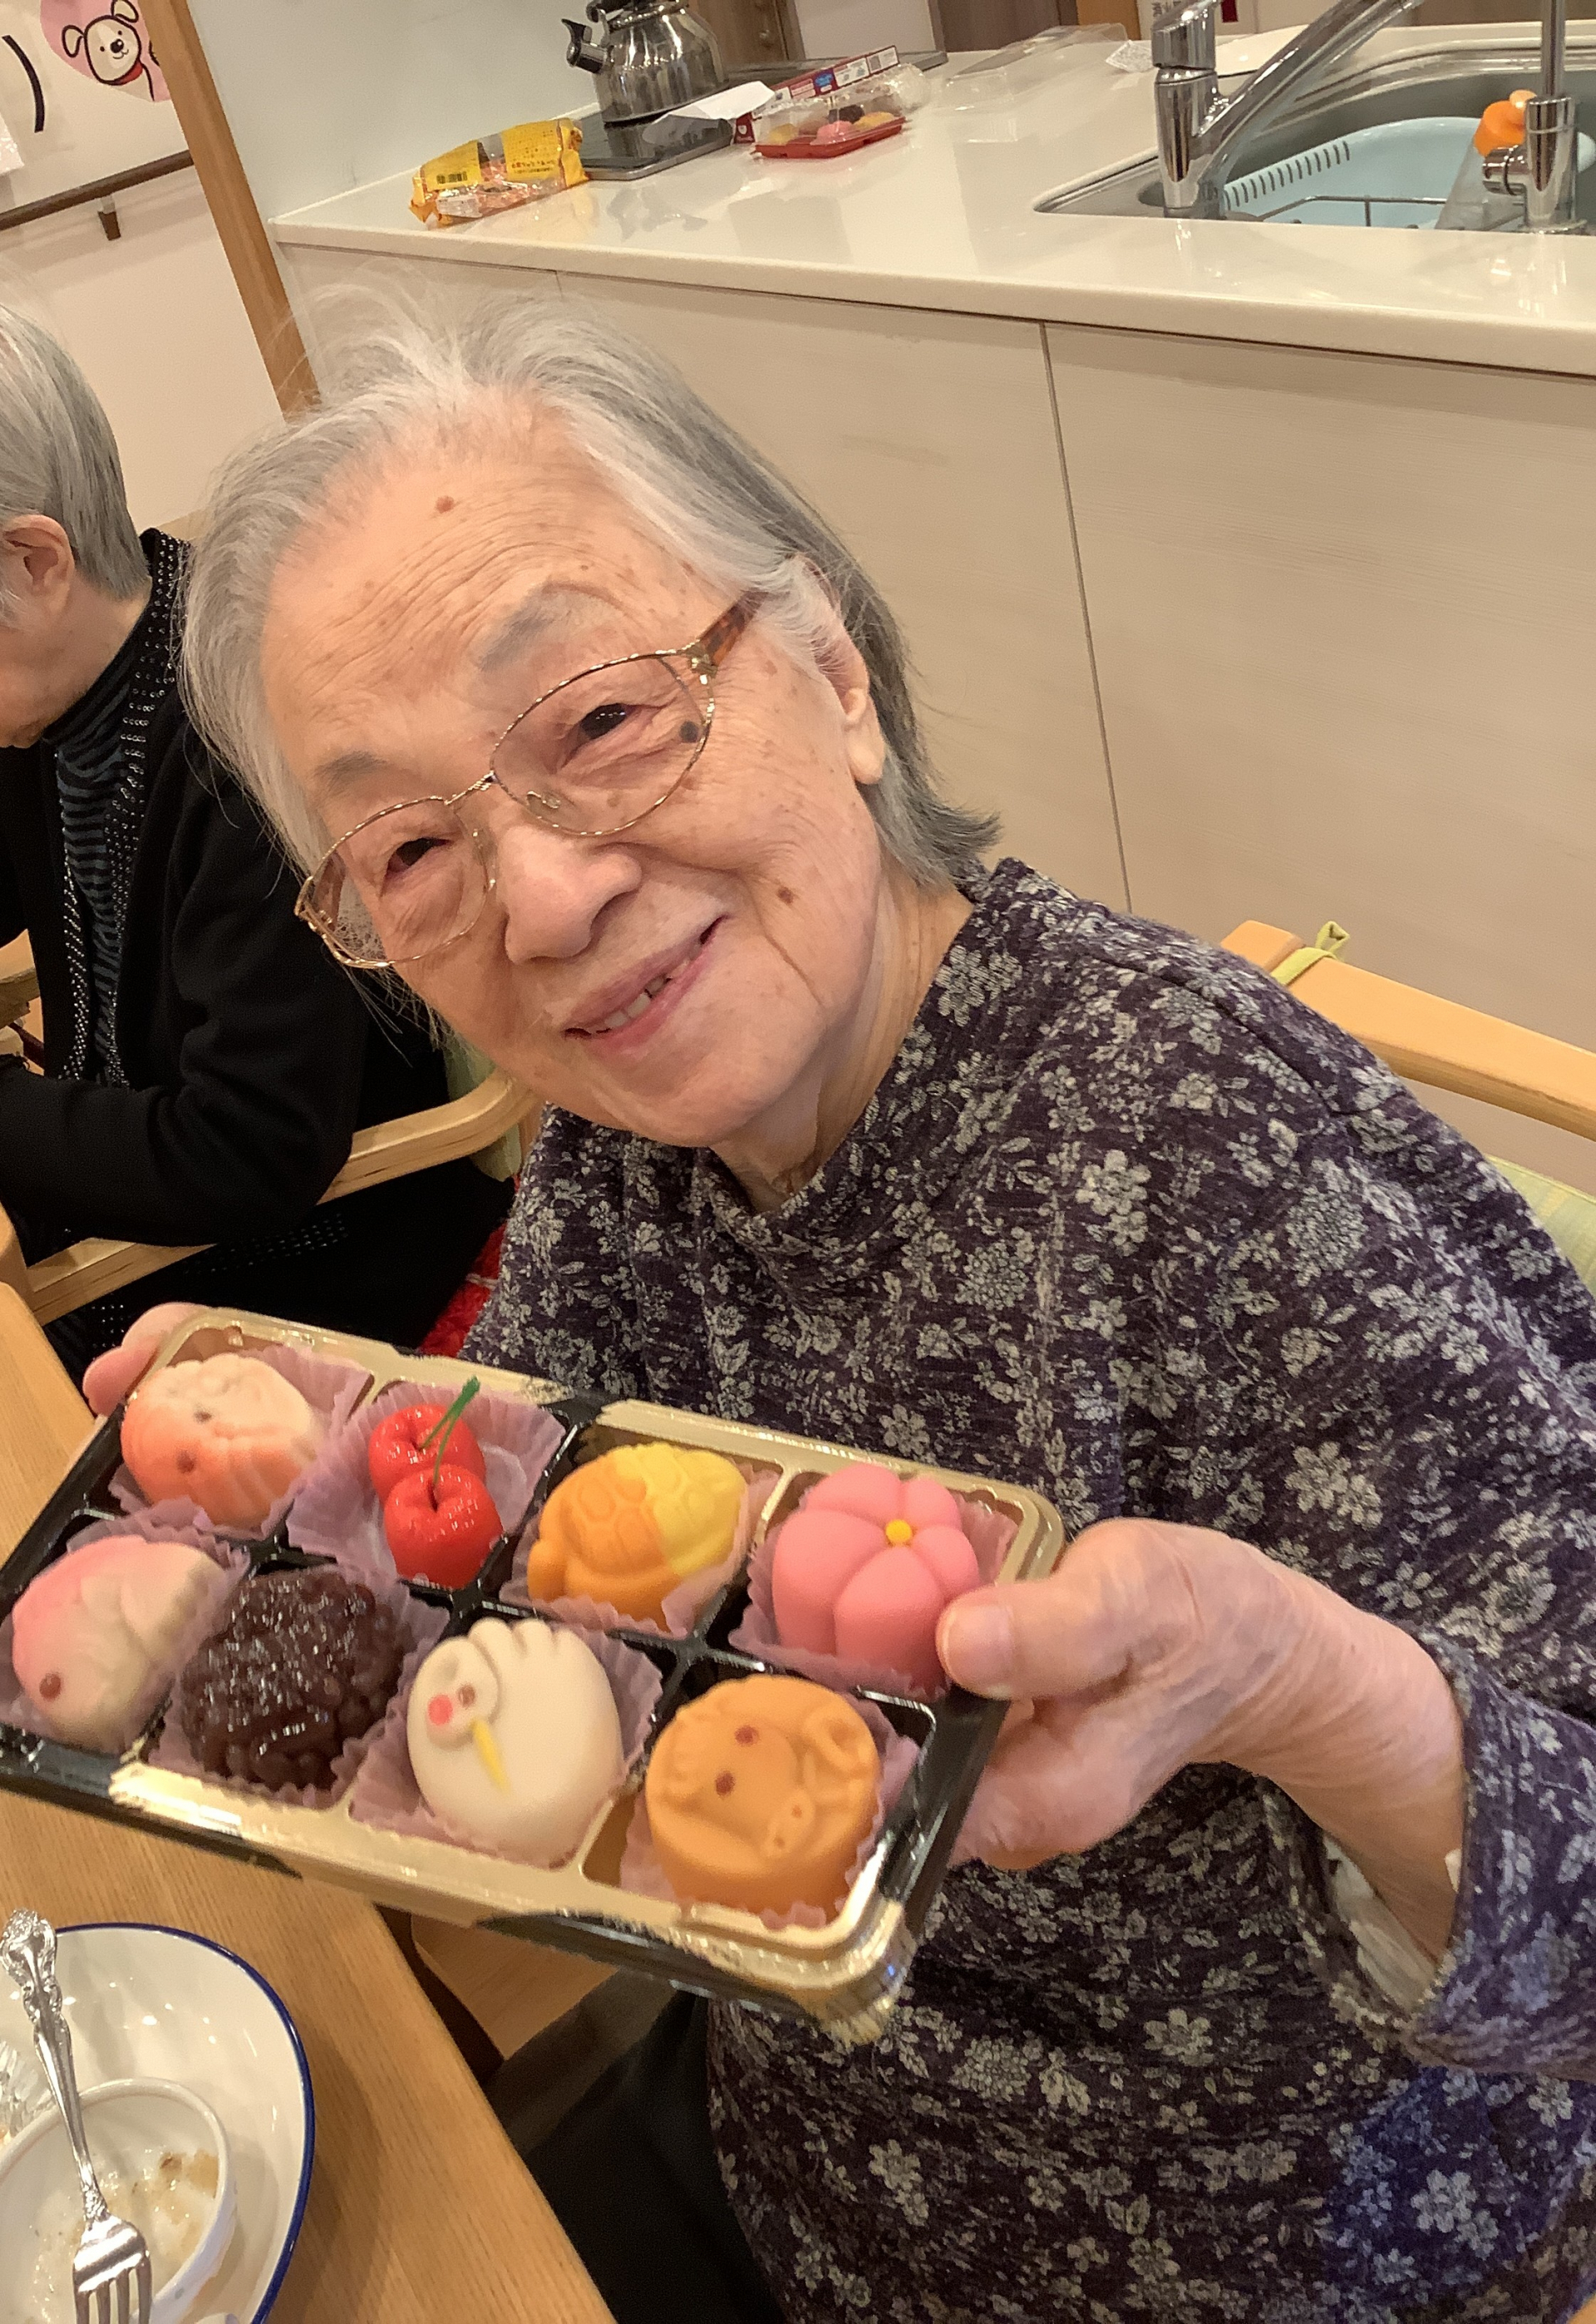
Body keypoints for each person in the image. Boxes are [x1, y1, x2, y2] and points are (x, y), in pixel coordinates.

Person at [91, 304, 1596, 2322]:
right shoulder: (619, 1147)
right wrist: (282, 1547)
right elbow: (551, 1637)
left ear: (832, 670)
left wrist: (1292, 1680)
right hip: (802, 2179)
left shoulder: (1207, 1146)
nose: (544, 902)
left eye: (598, 718)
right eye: (415, 848)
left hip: (1257, 2264)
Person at [0, 306, 508, 1369]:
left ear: (36, 561)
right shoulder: (50, 697)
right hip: (126, 1205)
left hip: (294, 1275)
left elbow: (248, 1152)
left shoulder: (241, 739)